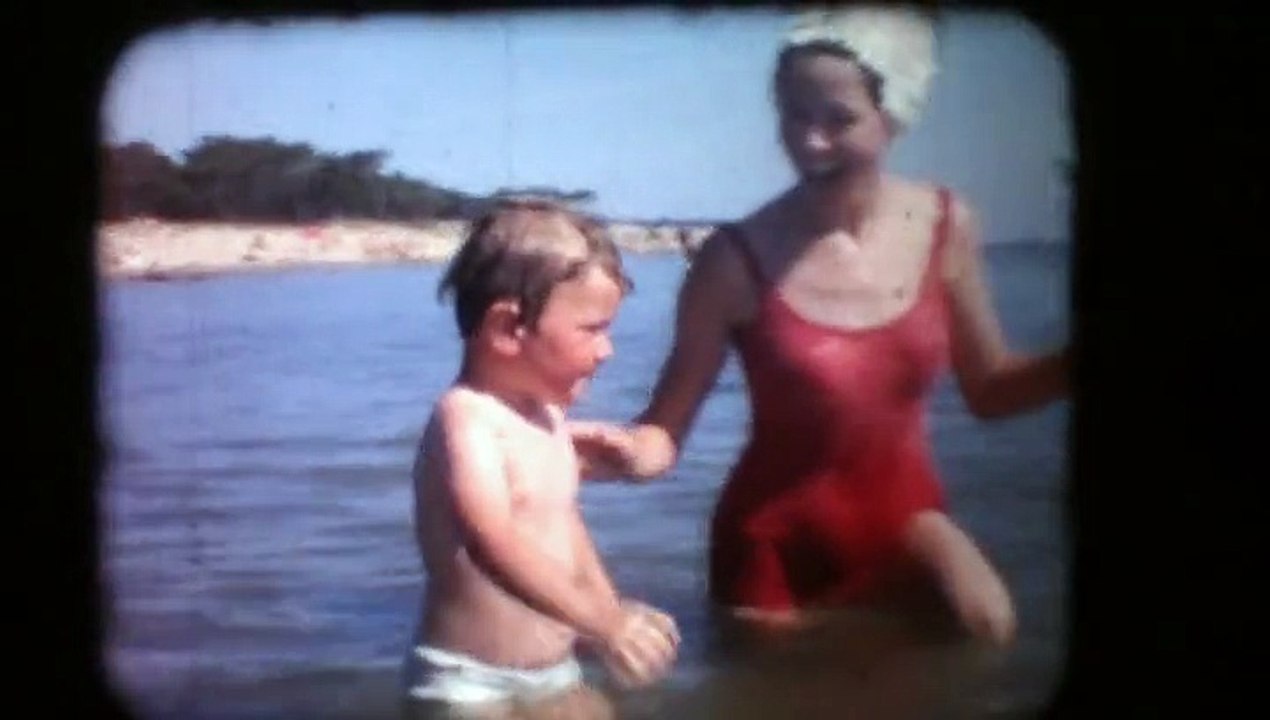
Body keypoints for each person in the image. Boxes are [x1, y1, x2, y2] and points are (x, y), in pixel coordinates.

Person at [570, 6, 1070, 651]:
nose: (810, 141)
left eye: (838, 119)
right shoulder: (733, 260)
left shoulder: (949, 225)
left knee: (988, 627)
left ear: (894, 116)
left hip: (907, 521)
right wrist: (616, 452)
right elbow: (667, 428)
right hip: (774, 547)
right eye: (794, 116)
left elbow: (991, 389)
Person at [402, 199, 680, 719]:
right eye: (592, 329)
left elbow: (563, 523)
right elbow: (492, 540)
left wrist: (607, 609)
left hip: (555, 671)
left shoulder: (546, 418)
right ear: (509, 329)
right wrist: (607, 625)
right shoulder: (466, 418)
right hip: (468, 682)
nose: (607, 351)